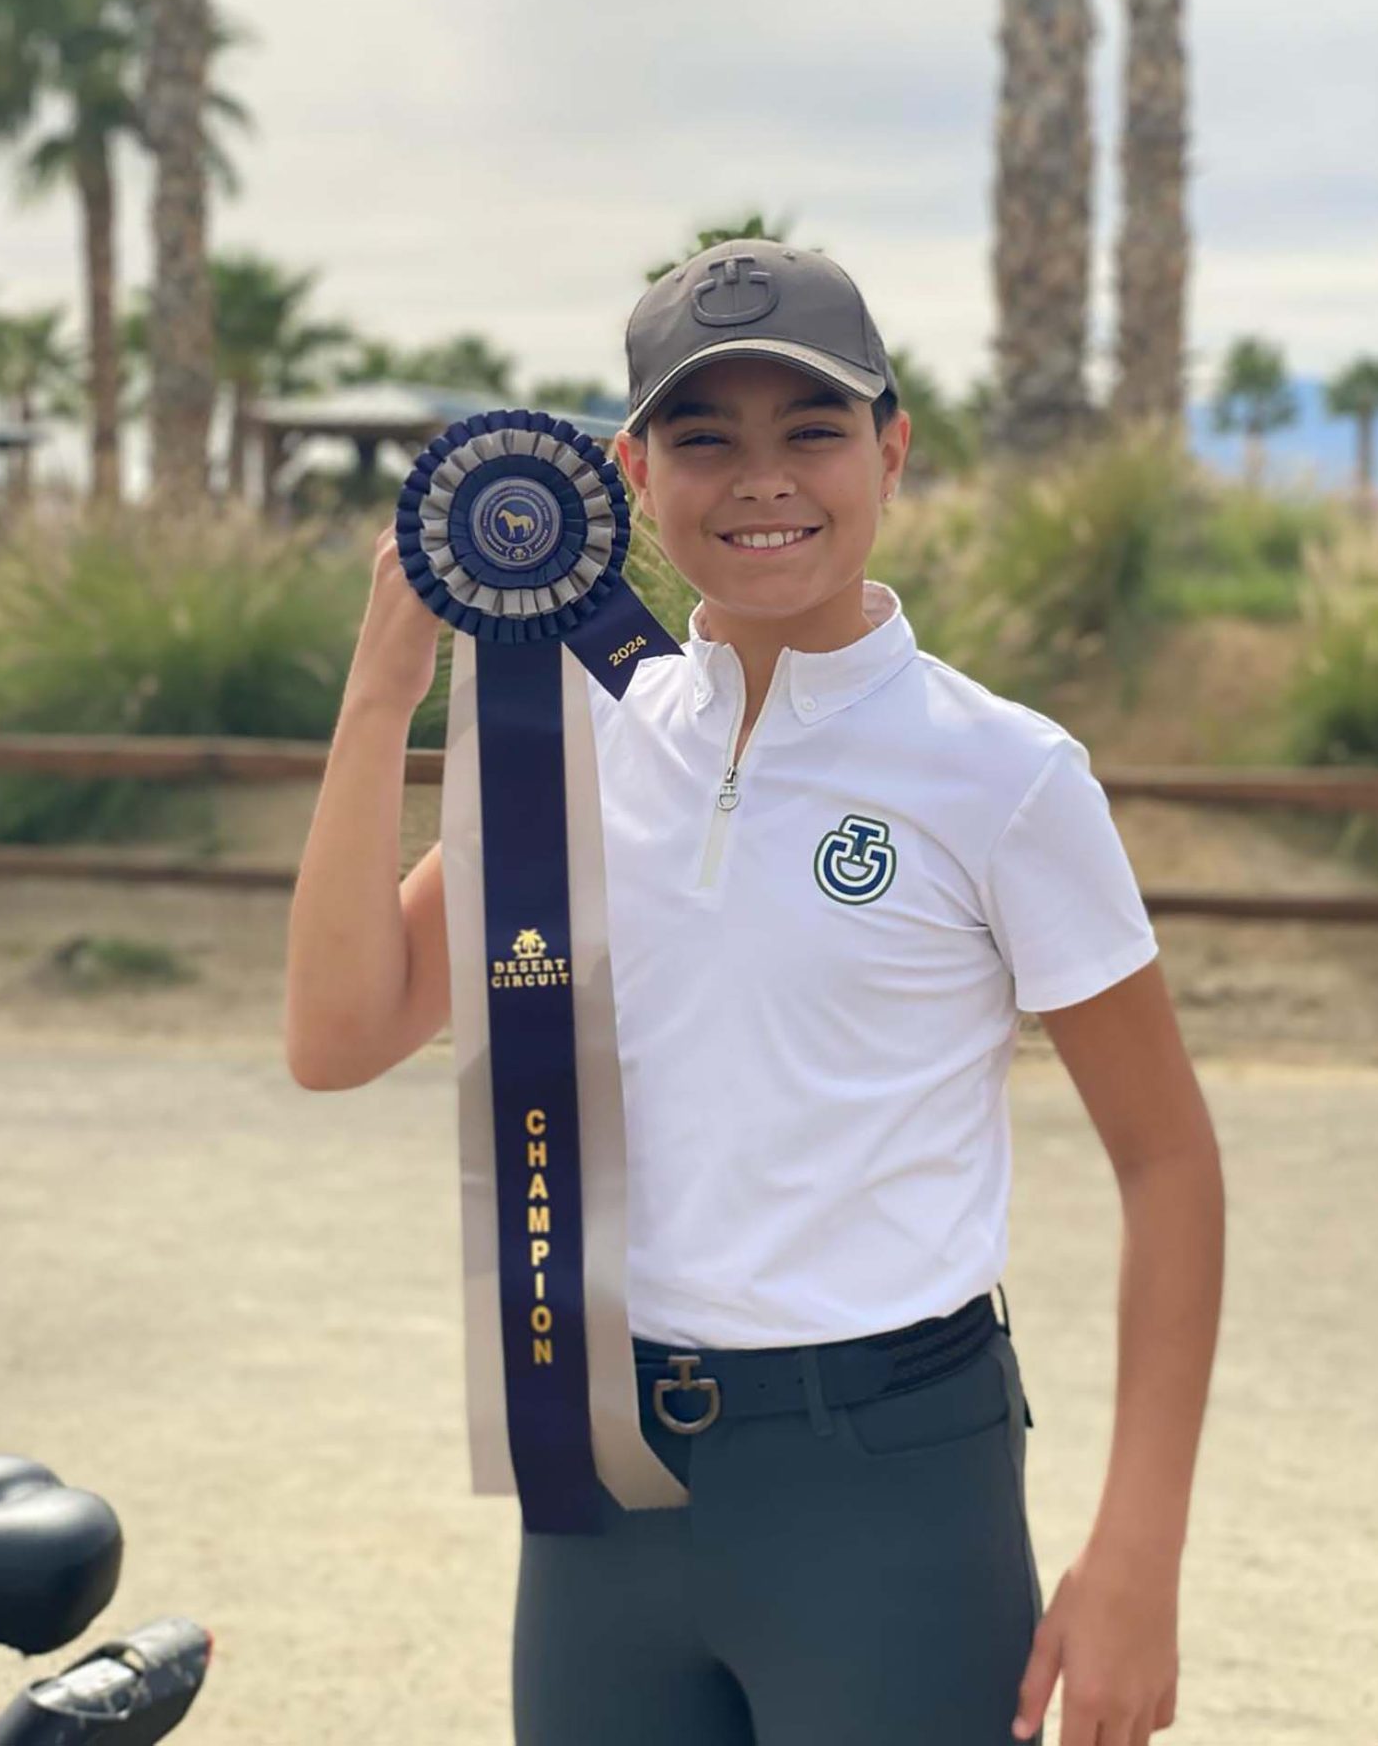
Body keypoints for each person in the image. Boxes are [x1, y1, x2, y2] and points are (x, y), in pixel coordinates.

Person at [285, 238, 1225, 1746]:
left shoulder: (1005, 775)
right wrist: (380, 693)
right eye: (706, 438)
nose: (763, 479)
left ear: (892, 451)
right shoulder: (572, 746)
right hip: (606, 1478)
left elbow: (1168, 1162)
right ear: (634, 475)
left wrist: (1140, 1555)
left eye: (813, 429)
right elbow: (337, 1037)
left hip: (891, 1488)